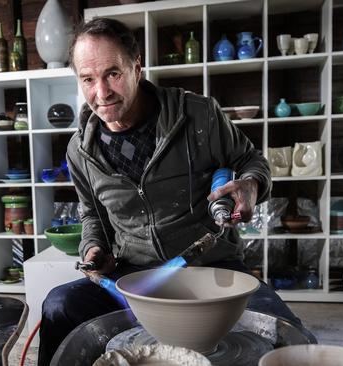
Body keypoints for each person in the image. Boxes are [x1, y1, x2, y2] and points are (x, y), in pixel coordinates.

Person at [37, 17, 303, 365]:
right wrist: (94, 248)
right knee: (58, 306)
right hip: (132, 279)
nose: (101, 93)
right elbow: (92, 214)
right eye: (88, 79)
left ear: (137, 67)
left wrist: (252, 186)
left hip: (212, 267)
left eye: (113, 74)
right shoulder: (80, 150)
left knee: (287, 335)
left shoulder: (198, 115)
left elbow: (251, 160)